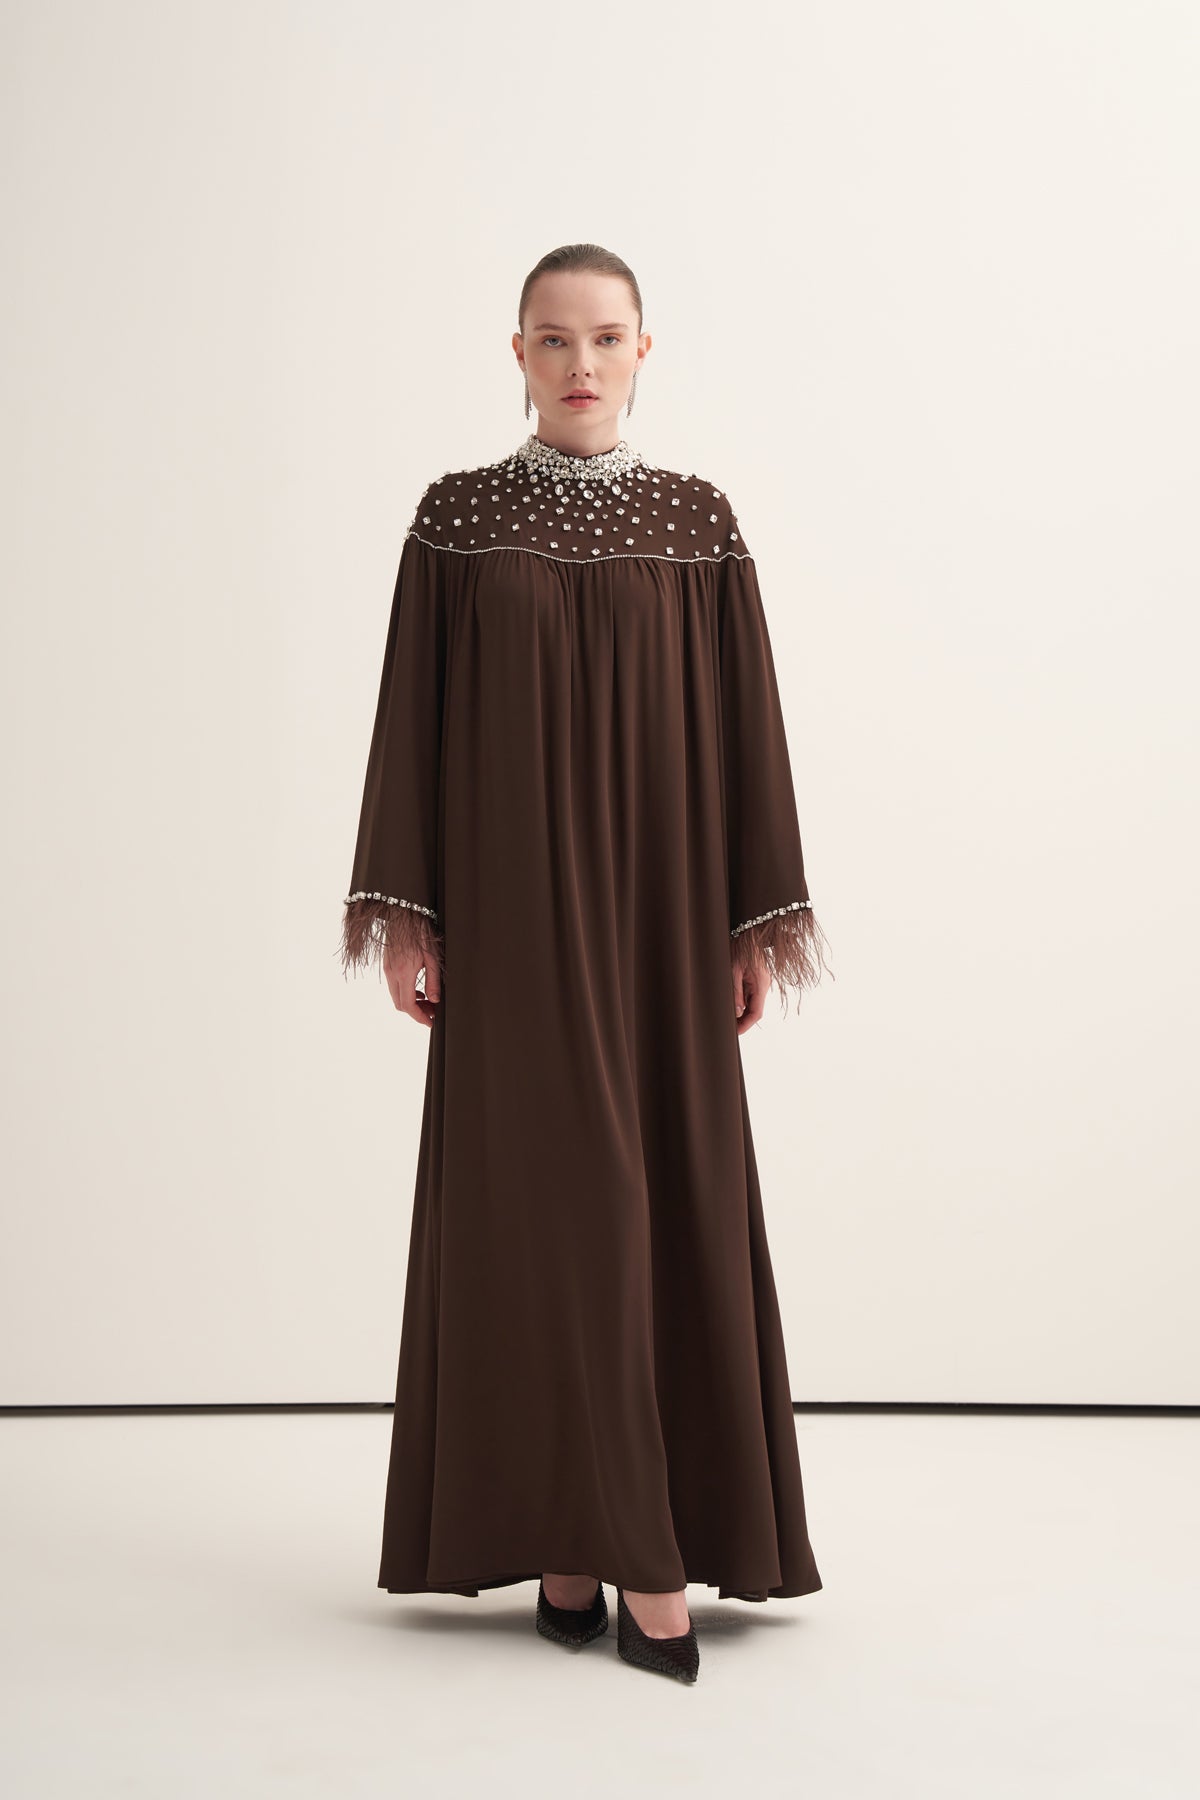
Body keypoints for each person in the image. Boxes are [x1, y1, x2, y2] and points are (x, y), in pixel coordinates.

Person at [339, 243, 833, 1685]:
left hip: (659, 922)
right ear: (516, 353)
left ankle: (608, 1555)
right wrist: (412, 915)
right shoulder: (457, 518)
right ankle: (600, 1548)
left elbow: (746, 726)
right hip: (510, 924)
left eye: (606, 337)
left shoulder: (697, 523)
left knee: (647, 1203)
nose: (580, 364)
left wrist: (748, 923)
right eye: (553, 339)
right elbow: (411, 717)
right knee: (545, 1216)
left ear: (643, 350)